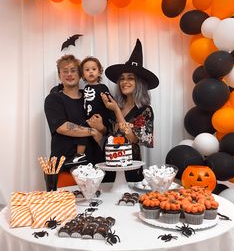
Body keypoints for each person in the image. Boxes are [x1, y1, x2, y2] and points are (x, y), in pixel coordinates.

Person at [101, 39, 159, 182]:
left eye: (130, 78)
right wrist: (99, 127)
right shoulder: (115, 106)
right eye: (122, 79)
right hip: (109, 165)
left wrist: (116, 111)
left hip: (130, 168)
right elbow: (108, 135)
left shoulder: (145, 110)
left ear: (139, 83)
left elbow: (134, 139)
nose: (124, 82)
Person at [44, 54, 105, 170]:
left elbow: (103, 129)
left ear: (80, 74)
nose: (69, 74)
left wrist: (101, 128)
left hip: (94, 165)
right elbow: (62, 127)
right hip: (64, 165)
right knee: (67, 189)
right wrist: (91, 131)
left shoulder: (90, 97)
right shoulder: (53, 99)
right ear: (59, 75)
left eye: (73, 70)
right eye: (65, 71)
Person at [75, 56, 114, 158]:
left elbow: (111, 103)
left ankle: (79, 155)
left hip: (99, 118)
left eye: (94, 69)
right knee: (82, 130)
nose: (91, 72)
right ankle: (81, 155)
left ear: (99, 72)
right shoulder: (85, 88)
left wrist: (106, 99)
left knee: (83, 129)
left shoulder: (102, 87)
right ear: (83, 74)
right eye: (87, 70)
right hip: (89, 118)